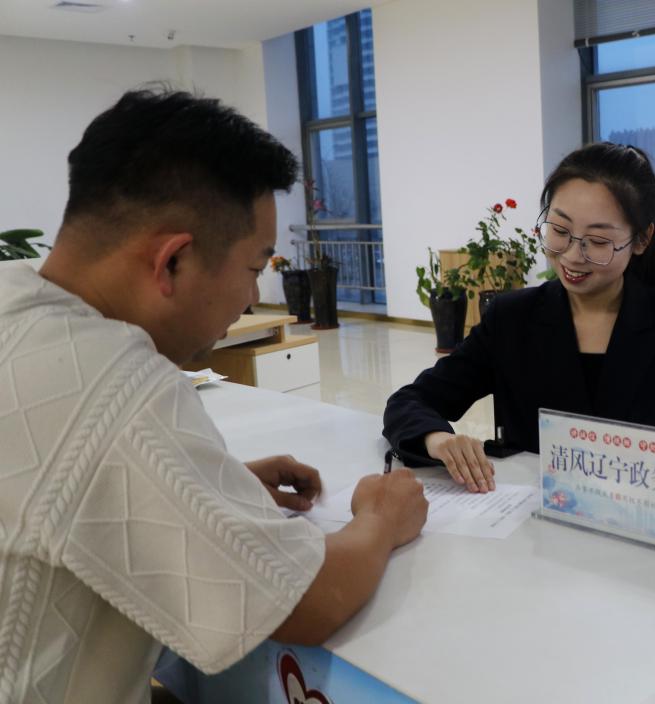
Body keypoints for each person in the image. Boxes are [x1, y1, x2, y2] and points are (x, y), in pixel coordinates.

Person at [0, 88, 428, 704]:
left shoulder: (16, 302)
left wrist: (208, 487)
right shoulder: (119, 384)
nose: (253, 299)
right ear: (173, 261)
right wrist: (381, 518)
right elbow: (305, 602)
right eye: (254, 269)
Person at [383, 142, 655, 493]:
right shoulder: (511, 319)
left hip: (643, 513)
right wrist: (437, 439)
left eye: (598, 240)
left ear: (641, 239)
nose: (573, 256)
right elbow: (410, 401)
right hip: (529, 516)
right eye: (560, 231)